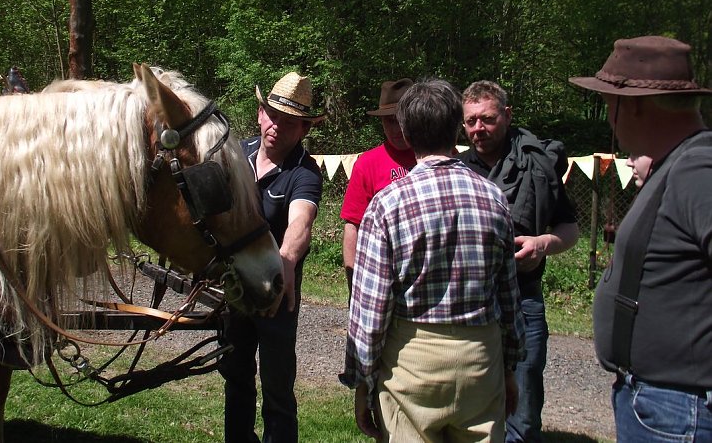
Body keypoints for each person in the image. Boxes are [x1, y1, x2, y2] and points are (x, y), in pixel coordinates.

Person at [342, 78, 525, 442]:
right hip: (480, 358)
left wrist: (361, 379)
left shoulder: (388, 204)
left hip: (413, 364)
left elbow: (371, 309)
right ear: (458, 125)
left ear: (407, 133)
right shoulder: (494, 198)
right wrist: (509, 368)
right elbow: (508, 295)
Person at [569, 35, 712, 441]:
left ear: (629, 104)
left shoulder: (698, 169)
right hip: (663, 403)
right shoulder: (678, 166)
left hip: (680, 409)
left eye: (608, 104)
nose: (608, 118)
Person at [457, 80, 579, 443]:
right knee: (469, 408)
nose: (478, 128)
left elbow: (569, 229)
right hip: (471, 305)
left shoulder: (538, 167)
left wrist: (543, 243)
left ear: (507, 116)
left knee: (523, 413)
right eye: (470, 121)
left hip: (525, 300)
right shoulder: (458, 169)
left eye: (487, 119)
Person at [220, 71, 325, 443]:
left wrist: (285, 262)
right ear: (261, 112)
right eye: (273, 115)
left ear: (304, 130)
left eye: (290, 122)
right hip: (233, 287)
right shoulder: (234, 155)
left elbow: (301, 221)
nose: (277, 127)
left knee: (278, 386)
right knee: (236, 376)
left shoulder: (305, 172)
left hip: (278, 290)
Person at [340, 78, 416, 292]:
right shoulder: (367, 163)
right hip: (381, 277)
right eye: (388, 120)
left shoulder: (435, 155)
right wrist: (353, 278)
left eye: (401, 119)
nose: (395, 128)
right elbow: (353, 225)